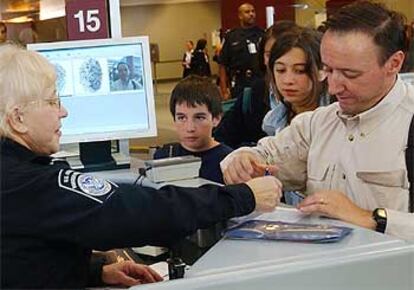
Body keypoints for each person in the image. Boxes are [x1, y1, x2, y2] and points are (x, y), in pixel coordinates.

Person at [0, 44, 283, 289]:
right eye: (52, 100)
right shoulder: (30, 184)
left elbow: (22, 259)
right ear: (17, 119)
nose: (63, 111)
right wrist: (243, 196)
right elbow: (136, 211)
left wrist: (94, 271)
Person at [221, 1, 414, 241]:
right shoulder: (317, 124)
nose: (333, 86)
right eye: (328, 70)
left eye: (350, 74)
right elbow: (262, 156)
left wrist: (372, 218)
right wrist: (241, 162)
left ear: (394, 63)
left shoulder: (408, 124)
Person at [213, 21, 300, 148]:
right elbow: (222, 140)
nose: (277, 61)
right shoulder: (254, 94)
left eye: (285, 54)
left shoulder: (323, 101)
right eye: (270, 55)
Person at [154, 75, 231, 184]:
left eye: (199, 118)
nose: (190, 128)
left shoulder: (229, 162)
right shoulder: (164, 157)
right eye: (181, 118)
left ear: (216, 118)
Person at [262, 28, 331, 136]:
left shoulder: (339, 119)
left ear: (323, 70)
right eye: (280, 70)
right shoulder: (272, 121)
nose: (288, 80)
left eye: (299, 71)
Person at [218, 3, 264, 100]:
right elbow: (222, 64)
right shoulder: (232, 36)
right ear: (240, 16)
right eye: (247, 12)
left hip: (259, 81)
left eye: (253, 11)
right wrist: (224, 90)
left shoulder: (262, 34)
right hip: (239, 83)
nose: (251, 14)